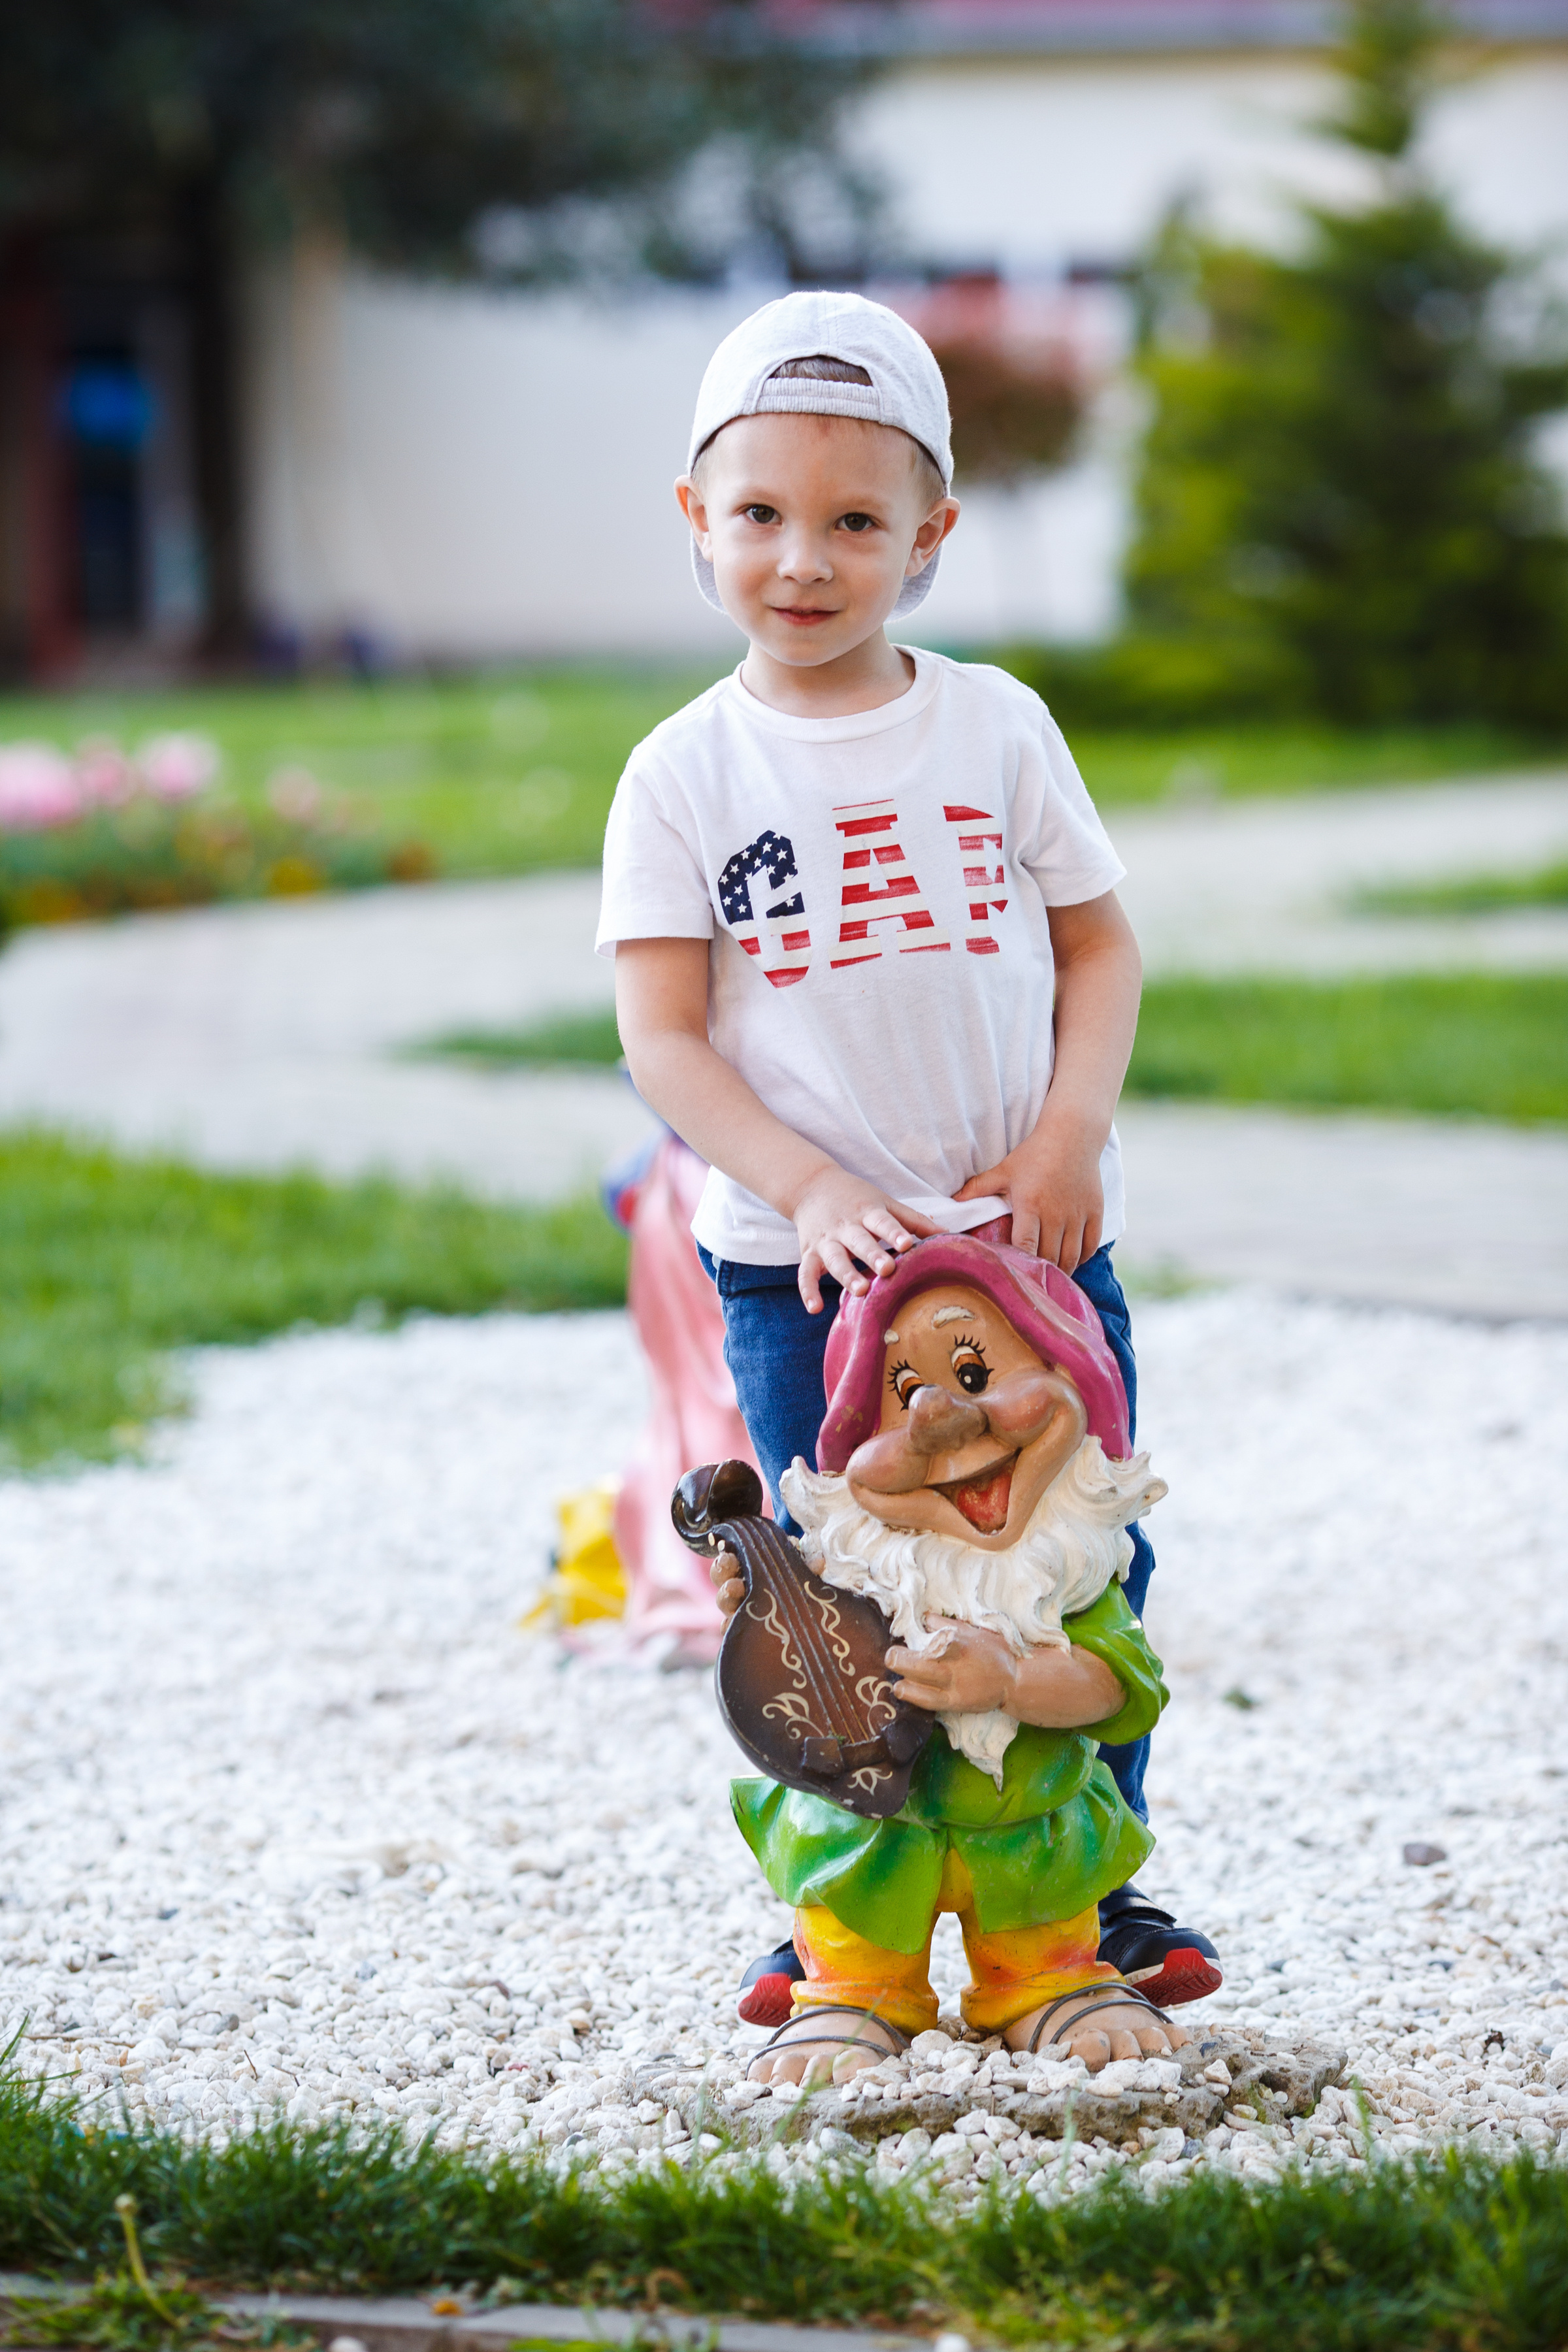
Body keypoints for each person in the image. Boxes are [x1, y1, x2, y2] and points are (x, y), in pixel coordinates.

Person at [596, 287, 1219, 2033]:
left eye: (857, 522)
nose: (805, 559)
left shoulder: (998, 728)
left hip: (1025, 1260)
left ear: (930, 535)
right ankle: (841, 1916)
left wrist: (1071, 1129)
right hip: (810, 1274)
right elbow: (665, 1039)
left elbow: (1100, 949)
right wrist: (802, 1182)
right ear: (696, 521)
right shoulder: (683, 775)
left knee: (1078, 1569)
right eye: (763, 516)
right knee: (833, 1601)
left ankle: (1086, 1886)